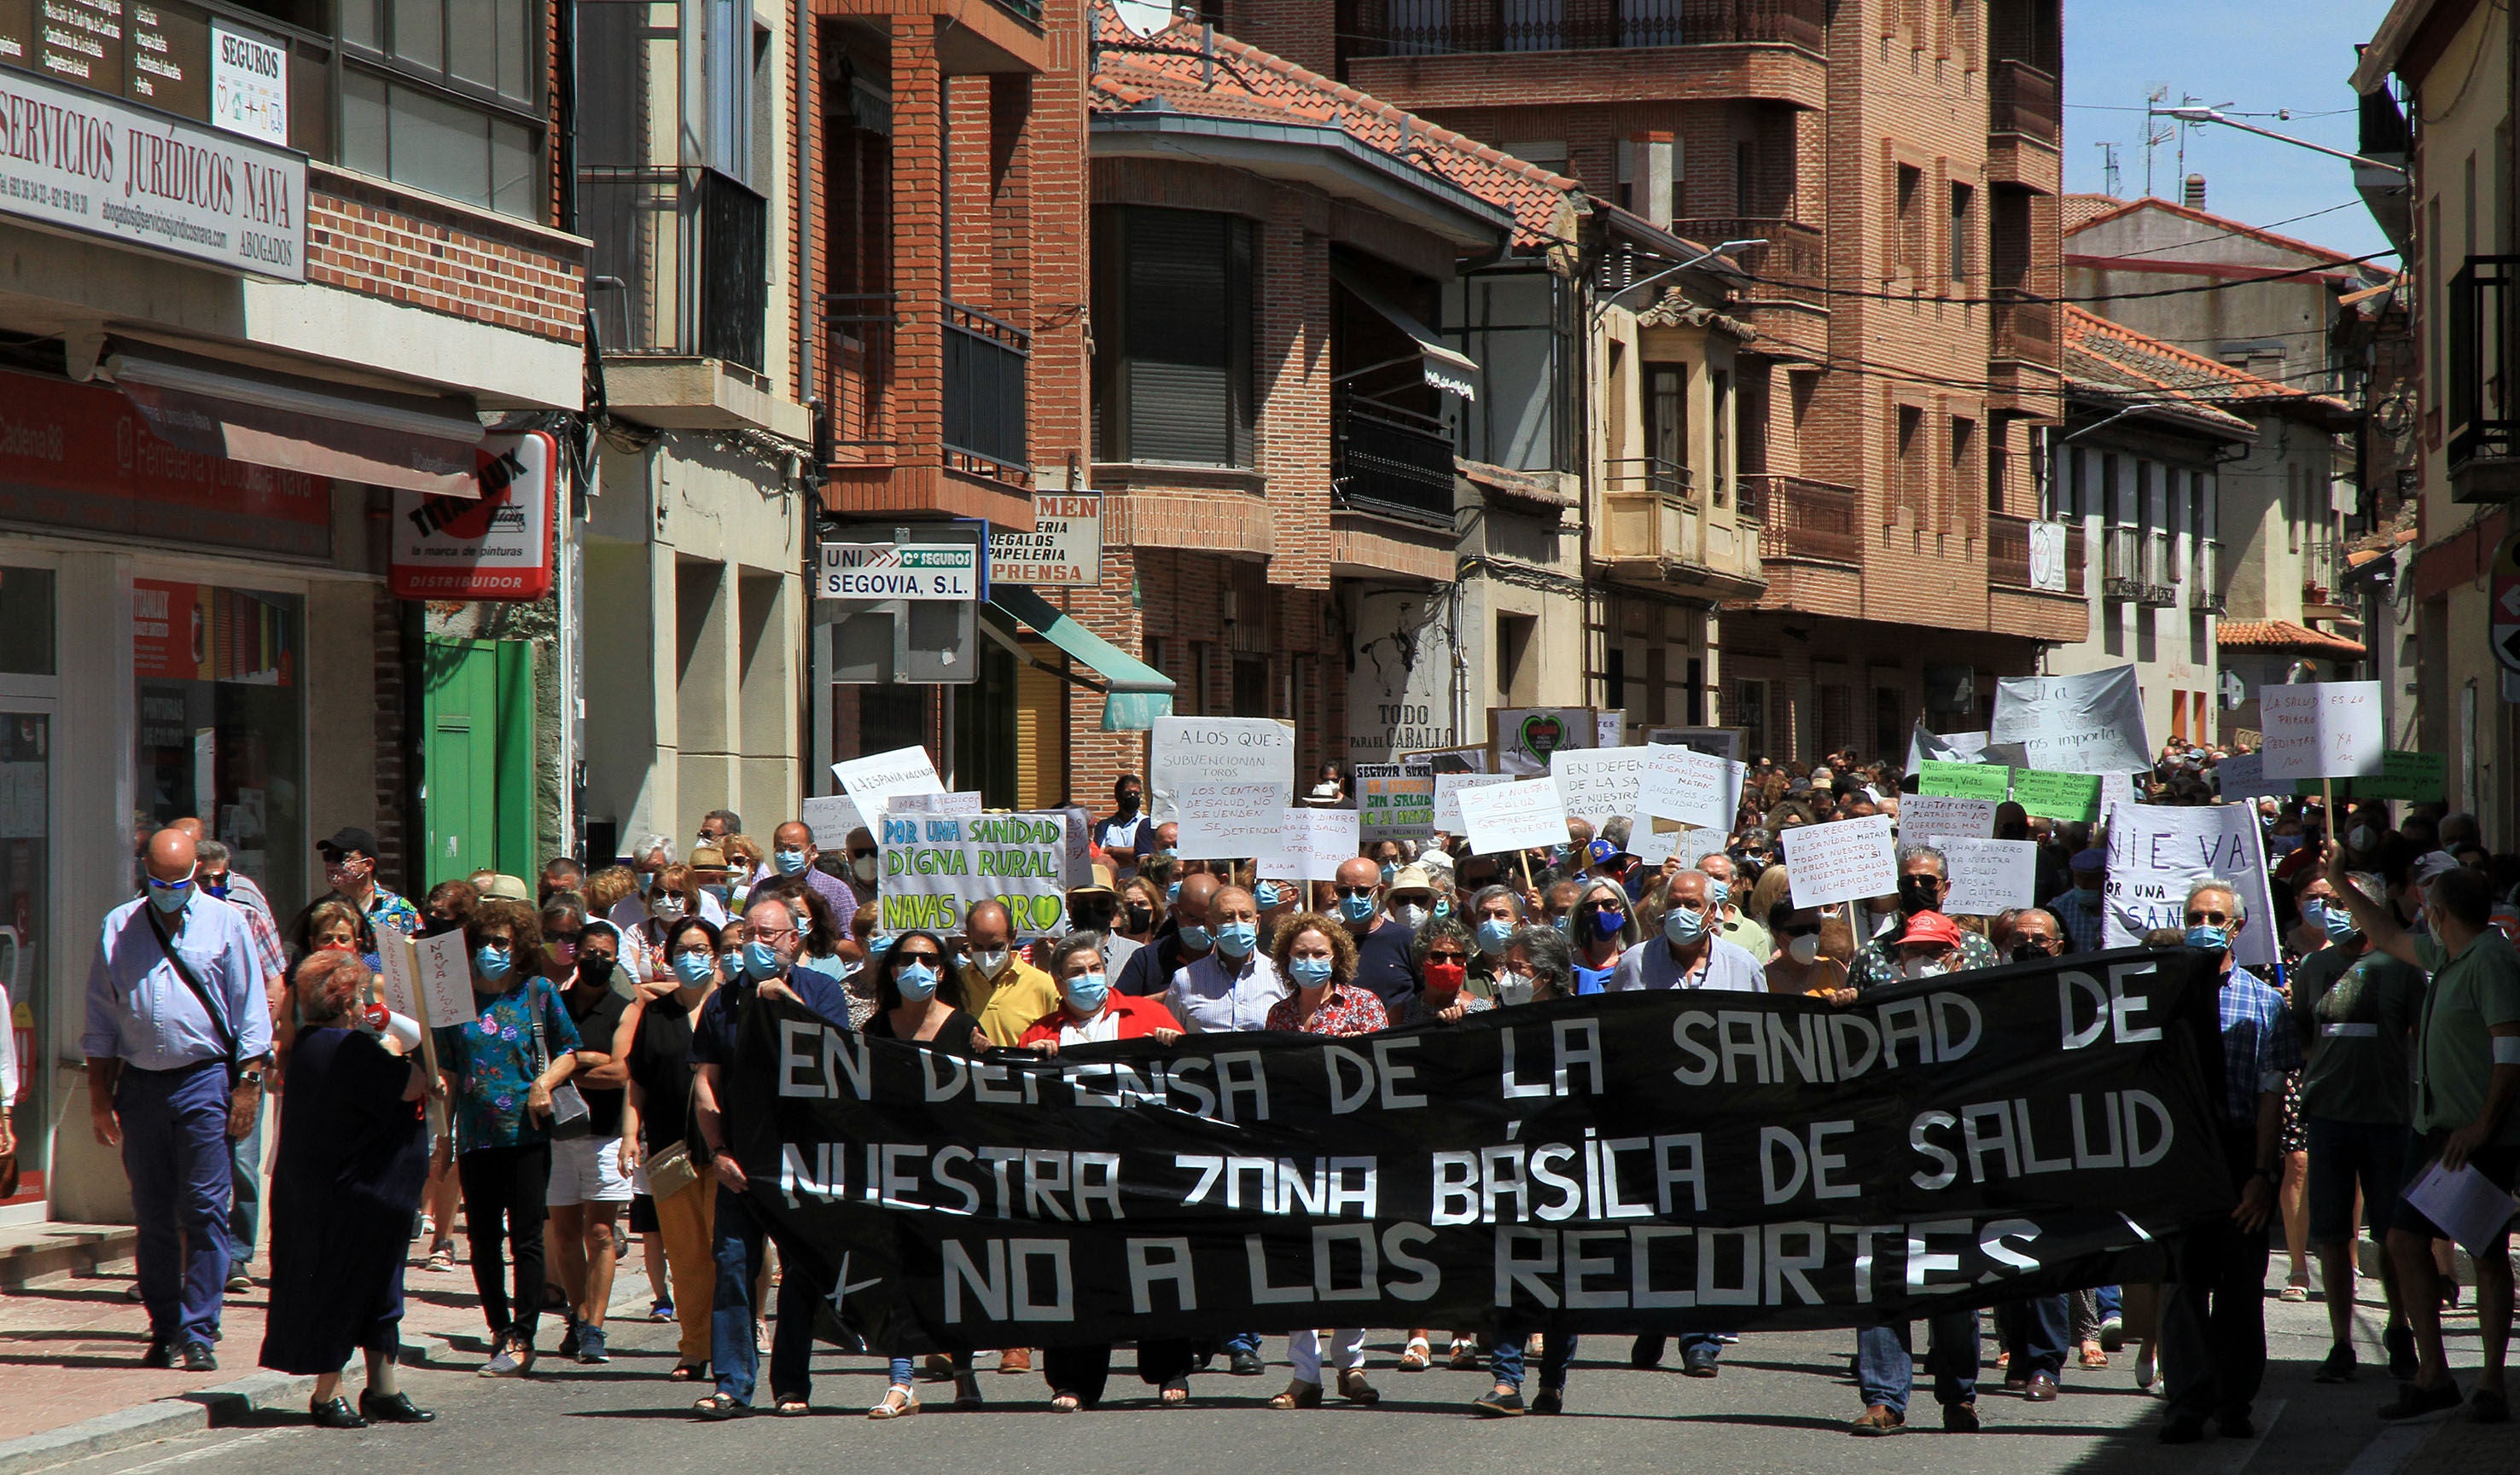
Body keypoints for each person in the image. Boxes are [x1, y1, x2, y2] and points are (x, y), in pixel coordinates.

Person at [2325, 845, 2520, 1424]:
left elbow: (2510, 1050)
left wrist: (2481, 1124)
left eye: (2426, 903)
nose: (2418, 911)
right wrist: (2339, 879)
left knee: (2484, 1254)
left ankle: (2490, 1382)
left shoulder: (2490, 961)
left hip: (2477, 1136)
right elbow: (2385, 934)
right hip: (2432, 1130)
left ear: (2440, 910)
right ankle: (2433, 1374)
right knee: (2402, 1241)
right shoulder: (2447, 952)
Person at [84, 828, 273, 1370]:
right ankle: (164, 1327)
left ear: (198, 874)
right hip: (141, 1085)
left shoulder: (226, 922)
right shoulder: (118, 926)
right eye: (159, 881)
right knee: (152, 1212)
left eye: (181, 881)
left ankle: (199, 1330)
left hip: (204, 1081)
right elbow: (100, 1018)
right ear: (144, 873)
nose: (170, 890)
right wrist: (99, 1095)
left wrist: (248, 1084)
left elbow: (251, 1011)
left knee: (206, 1209)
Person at [691, 895, 858, 1418]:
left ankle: (791, 1386)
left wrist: (783, 999)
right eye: (748, 935)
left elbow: (840, 1060)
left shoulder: (821, 991)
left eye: (768, 935)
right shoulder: (721, 1003)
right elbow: (705, 1085)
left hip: (803, 1163)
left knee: (800, 1275)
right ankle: (732, 1385)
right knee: (734, 1266)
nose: (755, 944)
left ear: (794, 941)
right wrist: (717, 1151)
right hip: (741, 1164)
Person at [258, 950, 436, 1428]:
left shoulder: (314, 1044)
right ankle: (326, 1393)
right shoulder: (345, 1047)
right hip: (350, 1194)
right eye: (360, 995)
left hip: (361, 1193)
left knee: (380, 1291)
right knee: (342, 1289)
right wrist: (401, 1050)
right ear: (345, 1000)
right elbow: (414, 1083)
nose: (364, 1005)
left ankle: (382, 1387)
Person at [2154, 879, 2300, 1443]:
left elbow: (2269, 1097)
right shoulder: (2159, 998)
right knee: (2184, 1282)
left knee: (2240, 1286)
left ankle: (2234, 1399)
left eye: (2216, 916)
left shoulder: (2263, 1004)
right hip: (2182, 1157)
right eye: (2195, 915)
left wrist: (2262, 1175)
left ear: (2237, 926)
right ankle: (2186, 1402)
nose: (2204, 924)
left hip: (2239, 1152)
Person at [1018, 933, 1190, 1408]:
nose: (1088, 978)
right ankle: (1074, 1379)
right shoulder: (1039, 1034)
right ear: (1057, 981)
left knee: (1156, 1265)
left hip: (1144, 1166)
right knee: (1079, 1273)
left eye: (1095, 968)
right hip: (1076, 1176)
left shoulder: (1147, 1016)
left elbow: (1188, 1082)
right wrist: (1038, 1065)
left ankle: (1169, 1368)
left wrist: (1172, 1047)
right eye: (1076, 971)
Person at [1848, 909, 1997, 1435]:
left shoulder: (1980, 1016)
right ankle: (1885, 1398)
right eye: (1914, 953)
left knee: (1954, 1289)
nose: (1923, 962)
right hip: (1887, 1169)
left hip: (1955, 1174)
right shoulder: (1877, 1011)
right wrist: (1846, 1012)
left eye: (1934, 953)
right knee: (1883, 1278)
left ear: (1955, 957)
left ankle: (1959, 1396)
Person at [433, 897, 580, 1377]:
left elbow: (570, 1050)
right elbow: (451, 1074)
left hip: (527, 1133)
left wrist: (543, 1083)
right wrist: (443, 1138)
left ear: (518, 946)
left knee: (527, 1239)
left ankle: (524, 1334)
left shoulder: (537, 992)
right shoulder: (457, 1004)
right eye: (481, 942)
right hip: (477, 1135)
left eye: (500, 942)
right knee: (481, 1239)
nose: (490, 950)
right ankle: (499, 1328)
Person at [2290, 868, 2424, 1385]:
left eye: (2345, 904)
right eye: (2328, 903)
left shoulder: (2401, 967)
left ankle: (2400, 1326)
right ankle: (2341, 1340)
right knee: (2331, 1233)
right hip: (2328, 1119)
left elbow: (2419, 1034)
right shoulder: (2314, 966)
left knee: (2392, 1234)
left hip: (2387, 1118)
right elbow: (2304, 1032)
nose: (2335, 914)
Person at [1260, 913, 1384, 1410]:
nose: (1310, 961)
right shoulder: (1279, 1017)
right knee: (1300, 1260)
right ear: (1286, 959)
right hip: (1297, 1153)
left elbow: (1378, 1071)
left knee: (1348, 1256)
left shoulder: (1363, 1005)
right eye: (1300, 954)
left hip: (1352, 1148)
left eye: (1320, 953)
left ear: (1338, 956)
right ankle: (1304, 1373)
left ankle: (1351, 1367)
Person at [863, 931, 989, 1417]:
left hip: (955, 1171)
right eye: (907, 959)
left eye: (928, 959)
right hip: (895, 1168)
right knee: (899, 1271)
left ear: (942, 970)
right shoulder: (876, 1029)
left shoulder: (964, 1028)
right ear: (893, 970)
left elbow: (991, 1094)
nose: (917, 967)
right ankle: (901, 1382)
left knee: (951, 1270)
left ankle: (963, 1372)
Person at [617, 915, 720, 1382]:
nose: (691, 958)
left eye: (701, 949)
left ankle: (736, 1343)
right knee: (686, 1255)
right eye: (683, 950)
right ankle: (694, 1348)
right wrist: (628, 1137)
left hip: (725, 1152)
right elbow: (637, 1083)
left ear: (716, 956)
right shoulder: (655, 1015)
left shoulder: (731, 1007)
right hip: (669, 1153)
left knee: (729, 1253)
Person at [195, 839, 286, 1293]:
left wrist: (266, 1039)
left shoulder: (246, 900)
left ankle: (238, 1255)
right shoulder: (160, 906)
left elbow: (275, 975)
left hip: (242, 1051)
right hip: (193, 1054)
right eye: (203, 878)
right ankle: (194, 1256)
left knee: (243, 1161)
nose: (212, 886)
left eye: (219, 879)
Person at [547, 908, 633, 1366]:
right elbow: (543, 1065)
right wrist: (587, 1061)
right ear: (576, 954)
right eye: (591, 952)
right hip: (558, 1133)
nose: (598, 960)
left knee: (599, 1232)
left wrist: (571, 1064)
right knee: (562, 1233)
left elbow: (621, 1071)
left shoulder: (623, 1009)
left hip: (604, 1134)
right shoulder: (554, 1004)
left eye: (607, 954)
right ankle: (576, 1318)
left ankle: (596, 1327)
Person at [1849, 845, 2001, 990]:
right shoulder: (1871, 954)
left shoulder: (1978, 948)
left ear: (1946, 889)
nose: (1917, 887)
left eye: (1927, 881)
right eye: (1908, 882)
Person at [1609, 870, 1763, 992]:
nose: (1681, 912)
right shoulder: (1634, 962)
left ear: (1711, 912)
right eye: (1674, 904)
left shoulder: (1743, 965)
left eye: (1692, 904)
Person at [1166, 886, 1284, 1033]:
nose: (1238, 923)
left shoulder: (1280, 976)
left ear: (1257, 924)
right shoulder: (1185, 980)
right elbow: (1170, 1036)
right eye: (1228, 917)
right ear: (1211, 926)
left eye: (1245, 916)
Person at [953, 900, 1062, 1046]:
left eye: (996, 947)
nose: (987, 955)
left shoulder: (1045, 986)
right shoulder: (956, 983)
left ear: (1013, 937)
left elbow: (1059, 1041)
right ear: (968, 938)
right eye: (978, 946)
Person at [1330, 856, 1417, 1009]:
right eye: (1344, 891)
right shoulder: (1328, 941)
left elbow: (1428, 995)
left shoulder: (1407, 939)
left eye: (1362, 891)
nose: (1353, 898)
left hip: (1397, 1032)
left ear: (1381, 891)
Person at [1117, 873, 1216, 997]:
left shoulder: (1232, 958)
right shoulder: (1147, 959)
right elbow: (1120, 1008)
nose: (1203, 927)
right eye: (1193, 918)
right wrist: (1165, 998)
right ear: (1176, 912)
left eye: (1210, 919)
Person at [765, 821, 859, 929]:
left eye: (794, 849)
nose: (787, 855)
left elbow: (851, 939)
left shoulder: (836, 891)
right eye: (780, 850)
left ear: (812, 851)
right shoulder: (762, 889)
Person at [1764, 906, 1854, 999]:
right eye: (1799, 930)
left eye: (1814, 928)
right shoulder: (1764, 978)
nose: (1809, 935)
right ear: (1776, 934)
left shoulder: (1833, 969)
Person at [1567, 878, 1637, 993]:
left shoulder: (1635, 962)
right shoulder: (1570, 964)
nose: (1599, 911)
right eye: (1591, 907)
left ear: (1624, 913)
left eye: (1609, 904)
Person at [1699, 853, 1772, 960]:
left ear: (1733, 885)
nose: (1711, 883)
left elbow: (1760, 974)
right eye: (1705, 877)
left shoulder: (1752, 931)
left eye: (1719, 878)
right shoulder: (1684, 923)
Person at [1091, 775, 1154, 881]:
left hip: (1139, 884)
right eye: (1128, 794)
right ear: (1118, 796)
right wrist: (1134, 858)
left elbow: (1148, 858)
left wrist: (1112, 850)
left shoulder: (1148, 824)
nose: (1133, 797)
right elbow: (1100, 860)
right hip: (1112, 883)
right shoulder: (1104, 826)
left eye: (1136, 794)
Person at [2048, 849, 2109, 953]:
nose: (2083, 885)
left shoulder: (2118, 906)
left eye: (2091, 880)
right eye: (2079, 878)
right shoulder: (2059, 908)